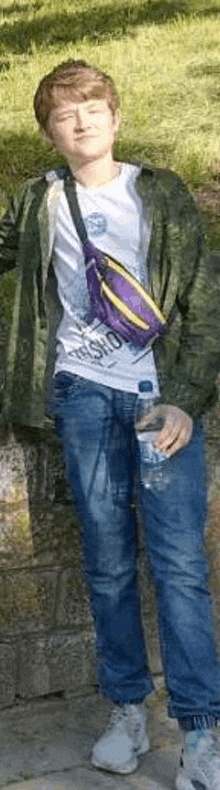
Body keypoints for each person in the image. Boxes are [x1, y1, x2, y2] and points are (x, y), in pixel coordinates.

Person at [0, 59, 220, 790]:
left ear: (116, 117)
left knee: (181, 567)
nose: (82, 121)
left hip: (159, 401)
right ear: (50, 133)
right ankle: (127, 712)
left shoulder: (158, 194)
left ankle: (200, 732)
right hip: (84, 398)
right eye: (65, 114)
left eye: (93, 107)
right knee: (108, 565)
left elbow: (202, 302)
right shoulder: (39, 202)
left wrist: (186, 395)